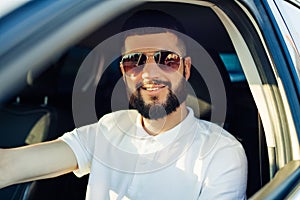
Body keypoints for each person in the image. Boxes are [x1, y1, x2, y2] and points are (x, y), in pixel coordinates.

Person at [0, 10, 247, 199]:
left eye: (167, 60)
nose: (149, 74)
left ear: (187, 68)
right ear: (124, 72)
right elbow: (10, 165)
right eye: (134, 62)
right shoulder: (108, 128)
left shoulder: (221, 153)